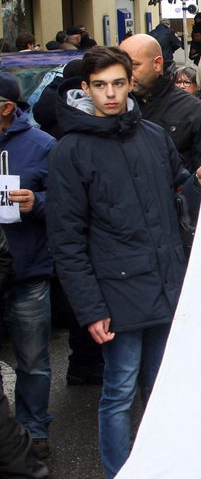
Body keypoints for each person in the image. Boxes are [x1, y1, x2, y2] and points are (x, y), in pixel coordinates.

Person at [47, 47, 190, 479]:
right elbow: (67, 240)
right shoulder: (69, 150)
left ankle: (159, 465)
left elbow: (179, 195)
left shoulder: (152, 135)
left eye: (117, 82)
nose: (110, 93)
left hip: (166, 287)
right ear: (85, 88)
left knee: (162, 388)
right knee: (119, 391)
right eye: (99, 85)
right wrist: (90, 308)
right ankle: (119, 471)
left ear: (131, 83)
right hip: (117, 296)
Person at [0, 73, 55, 459]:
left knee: (32, 361)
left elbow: (68, 204)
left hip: (27, 273)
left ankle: (34, 431)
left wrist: (37, 202)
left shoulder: (43, 146)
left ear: (6, 108)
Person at [119, 35, 201, 173]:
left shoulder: (193, 110)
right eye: (121, 67)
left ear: (157, 64)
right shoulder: (115, 106)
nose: (126, 73)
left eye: (133, 65)